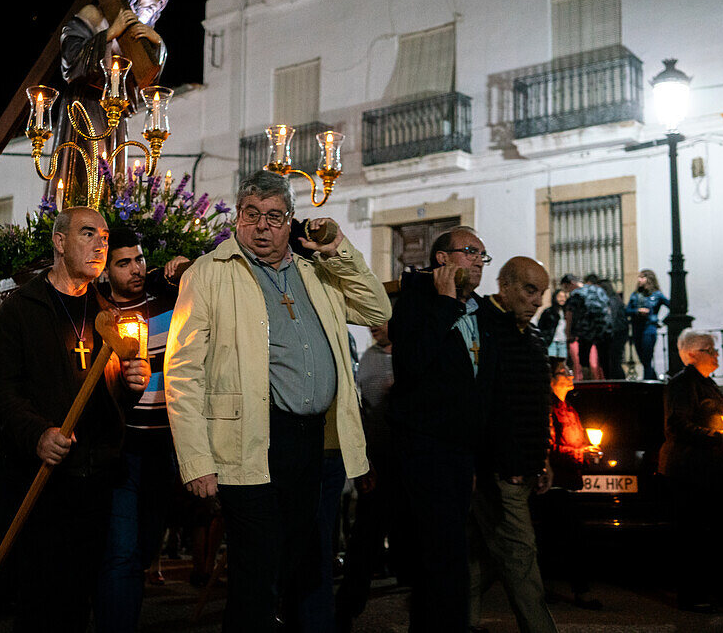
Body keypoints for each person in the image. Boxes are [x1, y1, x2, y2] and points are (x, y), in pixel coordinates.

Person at [165, 170, 391, 632]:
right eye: (252, 215)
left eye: (274, 216)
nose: (262, 227)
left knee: (293, 563)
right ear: (237, 219)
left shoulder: (317, 273)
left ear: (290, 222)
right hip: (246, 437)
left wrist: (338, 251)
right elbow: (182, 374)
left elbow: (377, 311)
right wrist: (196, 460)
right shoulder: (210, 273)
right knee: (256, 570)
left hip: (307, 443)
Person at [0, 206, 150, 632]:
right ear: (59, 243)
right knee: (42, 600)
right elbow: (1, 390)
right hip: (40, 476)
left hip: (95, 479)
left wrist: (131, 384)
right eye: (88, 233)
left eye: (105, 236)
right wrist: (37, 433)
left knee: (81, 601)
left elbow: (109, 402)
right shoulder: (21, 309)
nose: (100, 243)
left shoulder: (107, 315)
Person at [387, 225, 489, 631]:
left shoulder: (482, 312)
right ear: (442, 259)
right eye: (469, 251)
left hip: (464, 454)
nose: (479, 260)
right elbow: (412, 364)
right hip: (426, 452)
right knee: (439, 558)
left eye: (483, 254)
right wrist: (446, 304)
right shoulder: (414, 304)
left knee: (454, 555)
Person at [50, 0, 200, 199]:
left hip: (115, 113)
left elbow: (146, 81)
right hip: (84, 104)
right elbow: (70, 59)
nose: (155, 4)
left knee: (111, 178)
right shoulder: (95, 16)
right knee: (82, 173)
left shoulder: (141, 44)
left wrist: (158, 45)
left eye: (161, 3)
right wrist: (109, 34)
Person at [95, 227, 189, 632]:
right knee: (121, 552)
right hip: (123, 446)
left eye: (139, 259)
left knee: (147, 546)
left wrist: (185, 267)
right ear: (105, 271)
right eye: (123, 262)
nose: (135, 269)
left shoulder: (169, 301)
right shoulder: (99, 316)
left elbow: (206, 277)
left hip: (164, 445)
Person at [468, 257, 557, 633]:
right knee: (520, 554)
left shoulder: (532, 335)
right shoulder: (481, 327)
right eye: (530, 289)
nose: (537, 301)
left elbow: (537, 402)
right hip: (499, 469)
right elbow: (480, 404)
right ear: (505, 286)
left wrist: (543, 457)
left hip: (522, 464)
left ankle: (462, 620)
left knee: (485, 553)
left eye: (542, 293)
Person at [657, 330, 723, 613]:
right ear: (691, 354)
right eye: (709, 349)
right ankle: (692, 595)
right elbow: (677, 425)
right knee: (691, 534)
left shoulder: (707, 384)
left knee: (710, 532)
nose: (716, 354)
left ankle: (712, 589)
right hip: (689, 471)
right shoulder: (682, 384)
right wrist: (717, 437)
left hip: (710, 471)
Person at [336, 322, 396, 632]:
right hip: (377, 457)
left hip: (406, 458)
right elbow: (359, 407)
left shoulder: (409, 353)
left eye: (380, 319)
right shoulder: (369, 357)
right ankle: (347, 605)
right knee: (366, 532)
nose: (372, 326)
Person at [531, 357, 602, 611]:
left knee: (560, 538)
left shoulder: (568, 407)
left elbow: (575, 441)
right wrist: (581, 452)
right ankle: (569, 591)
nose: (571, 374)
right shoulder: (547, 408)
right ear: (552, 379)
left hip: (569, 482)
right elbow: (548, 447)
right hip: (554, 486)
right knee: (564, 538)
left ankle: (550, 590)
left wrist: (587, 451)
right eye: (565, 371)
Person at [561, 274, 611, 381]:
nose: (567, 291)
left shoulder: (576, 294)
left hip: (585, 332)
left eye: (566, 288)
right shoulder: (597, 289)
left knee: (584, 361)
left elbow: (570, 315)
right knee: (604, 362)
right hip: (603, 331)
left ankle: (587, 385)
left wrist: (568, 333)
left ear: (571, 284)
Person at [625, 270, 670, 380]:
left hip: (649, 328)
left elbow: (673, 306)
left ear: (648, 279)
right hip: (637, 328)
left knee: (647, 357)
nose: (639, 280)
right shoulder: (635, 295)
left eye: (642, 277)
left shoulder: (657, 295)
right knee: (642, 358)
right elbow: (627, 310)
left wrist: (661, 321)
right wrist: (637, 311)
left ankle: (648, 381)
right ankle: (653, 379)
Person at [597, 279, 627, 380]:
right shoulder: (613, 299)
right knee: (611, 362)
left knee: (613, 362)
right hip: (614, 334)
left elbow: (612, 319)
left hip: (615, 335)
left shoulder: (612, 300)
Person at [536, 289, 568, 359]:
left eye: (564, 297)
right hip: (551, 342)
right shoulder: (549, 312)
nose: (562, 299)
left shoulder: (567, 312)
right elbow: (540, 326)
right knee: (551, 363)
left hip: (563, 342)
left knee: (561, 366)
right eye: (560, 297)